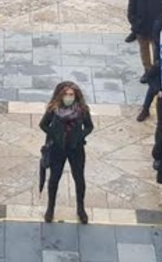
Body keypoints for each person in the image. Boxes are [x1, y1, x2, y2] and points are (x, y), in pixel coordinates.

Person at [40, 82, 94, 224]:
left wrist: (80, 136)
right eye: (66, 95)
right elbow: (43, 124)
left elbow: (89, 126)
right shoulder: (54, 109)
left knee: (79, 179)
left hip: (76, 149)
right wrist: (55, 135)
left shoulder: (82, 110)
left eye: (71, 95)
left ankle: (81, 208)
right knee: (54, 178)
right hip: (58, 148)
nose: (68, 97)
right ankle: (50, 208)